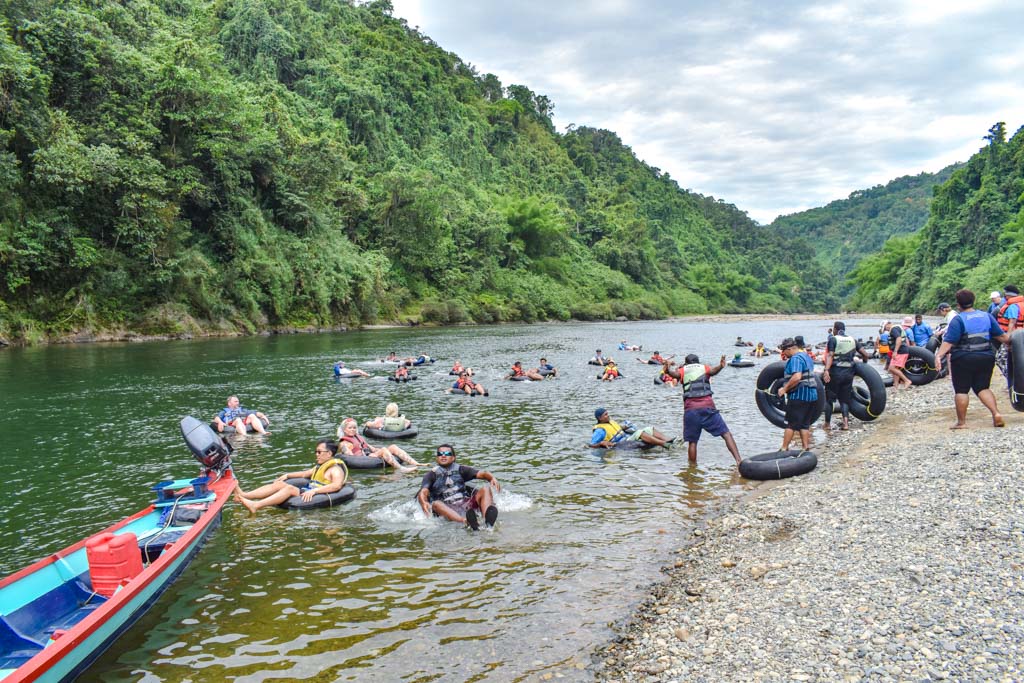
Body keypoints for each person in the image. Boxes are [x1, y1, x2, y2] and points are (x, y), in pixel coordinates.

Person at [934, 289, 1009, 429]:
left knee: (961, 390)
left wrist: (939, 356)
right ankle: (996, 413)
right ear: (973, 301)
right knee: (983, 387)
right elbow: (1002, 337)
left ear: (958, 305)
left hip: (963, 358)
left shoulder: (958, 320)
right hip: (986, 356)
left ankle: (962, 422)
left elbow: (948, 342)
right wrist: (1014, 346)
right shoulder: (986, 316)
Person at [665, 353, 741, 466]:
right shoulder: (704, 368)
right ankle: (739, 462)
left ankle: (692, 470)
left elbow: (672, 373)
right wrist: (721, 366)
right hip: (708, 408)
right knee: (726, 434)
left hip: (691, 411)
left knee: (692, 442)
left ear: (686, 363)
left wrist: (667, 368)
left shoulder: (683, 370)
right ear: (697, 362)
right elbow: (713, 371)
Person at [233, 440, 346, 514]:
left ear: (329, 453)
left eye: (319, 452)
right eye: (316, 451)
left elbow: (336, 486)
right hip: (309, 490)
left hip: (318, 493)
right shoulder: (320, 467)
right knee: (279, 484)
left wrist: (315, 491)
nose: (316, 454)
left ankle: (256, 505)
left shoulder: (335, 469)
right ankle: (244, 495)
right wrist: (287, 475)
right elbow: (304, 474)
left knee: (289, 489)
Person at [417, 445, 499, 530]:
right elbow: (423, 492)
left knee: (485, 489)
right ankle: (465, 521)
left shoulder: (461, 470)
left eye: (447, 453)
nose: (443, 455)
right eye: (440, 454)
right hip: (447, 507)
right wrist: (424, 502)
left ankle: (487, 519)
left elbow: (482, 474)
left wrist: (492, 478)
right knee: (436, 504)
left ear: (453, 458)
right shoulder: (431, 475)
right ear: (437, 458)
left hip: (464, 504)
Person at [822, 321, 871, 431]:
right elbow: (865, 354)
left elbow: (830, 355)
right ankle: (845, 424)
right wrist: (864, 366)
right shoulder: (852, 340)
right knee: (844, 399)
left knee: (830, 399)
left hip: (835, 373)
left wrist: (826, 370)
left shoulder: (833, 339)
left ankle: (827, 424)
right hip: (849, 373)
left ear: (835, 329)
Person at [777, 338, 818, 451]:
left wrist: (784, 389)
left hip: (799, 395)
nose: (783, 353)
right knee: (804, 424)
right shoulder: (806, 356)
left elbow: (797, 377)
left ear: (789, 349)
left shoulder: (795, 359)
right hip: (812, 395)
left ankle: (784, 448)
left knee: (791, 424)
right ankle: (805, 448)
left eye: (784, 351)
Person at [336, 418, 422, 471]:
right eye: (350, 428)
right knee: (384, 450)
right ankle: (401, 468)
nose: (353, 430)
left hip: (369, 455)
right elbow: (351, 458)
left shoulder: (358, 437)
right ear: (344, 430)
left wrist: (382, 450)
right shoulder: (344, 443)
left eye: (354, 428)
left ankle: (415, 463)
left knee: (393, 447)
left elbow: (370, 448)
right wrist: (382, 452)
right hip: (363, 459)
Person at [589, 407, 673, 448]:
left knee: (649, 429)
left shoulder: (611, 422)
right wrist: (601, 443)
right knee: (640, 432)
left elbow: (618, 429)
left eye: (607, 413)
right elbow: (591, 445)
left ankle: (668, 440)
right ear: (600, 418)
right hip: (621, 443)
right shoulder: (599, 430)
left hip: (627, 437)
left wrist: (625, 427)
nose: (608, 416)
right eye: (605, 415)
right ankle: (664, 444)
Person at [887, 317, 915, 390]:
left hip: (900, 351)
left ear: (888, 324)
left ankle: (907, 380)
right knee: (895, 368)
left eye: (885, 328)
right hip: (903, 350)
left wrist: (895, 351)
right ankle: (896, 385)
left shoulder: (893, 329)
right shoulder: (898, 327)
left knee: (891, 368)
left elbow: (899, 338)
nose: (886, 330)